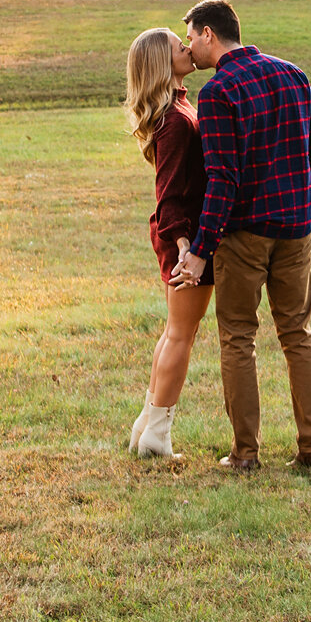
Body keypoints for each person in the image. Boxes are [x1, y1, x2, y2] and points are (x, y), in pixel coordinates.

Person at [170, 0, 311, 473]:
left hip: (244, 235)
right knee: (298, 333)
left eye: (191, 36)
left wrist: (200, 250)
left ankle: (245, 453)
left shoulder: (220, 92)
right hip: (296, 228)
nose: (188, 47)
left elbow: (222, 179)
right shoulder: (293, 74)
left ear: (209, 35)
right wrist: (301, 205)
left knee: (238, 337)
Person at [121, 27, 213, 459]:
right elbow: (169, 192)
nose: (187, 47)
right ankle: (157, 435)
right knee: (181, 334)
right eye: (179, 44)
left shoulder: (178, 106)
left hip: (182, 232)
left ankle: (146, 424)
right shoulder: (174, 121)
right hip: (186, 236)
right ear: (163, 62)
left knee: (175, 331)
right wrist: (184, 247)